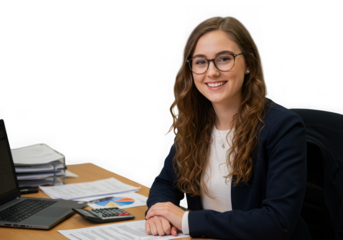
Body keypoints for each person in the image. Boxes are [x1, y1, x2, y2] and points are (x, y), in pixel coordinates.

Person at [145, 15, 313, 239]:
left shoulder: (282, 127)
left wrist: (185, 220)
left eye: (224, 59)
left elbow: (277, 221)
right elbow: (165, 182)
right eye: (200, 62)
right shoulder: (196, 123)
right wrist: (158, 213)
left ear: (249, 64)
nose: (212, 72)